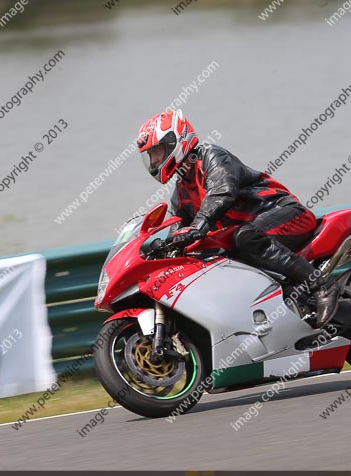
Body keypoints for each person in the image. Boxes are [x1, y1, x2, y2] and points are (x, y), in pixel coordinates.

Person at [136, 109, 340, 328]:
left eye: (157, 151)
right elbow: (177, 228)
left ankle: (322, 286)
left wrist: (199, 225)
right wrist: (164, 247)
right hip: (253, 232)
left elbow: (223, 191)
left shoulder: (211, 156)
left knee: (246, 237)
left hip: (286, 213)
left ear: (174, 141)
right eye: (151, 155)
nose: (155, 159)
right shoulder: (182, 191)